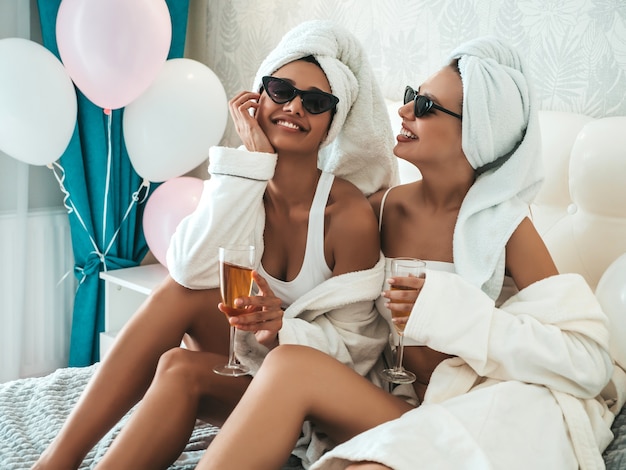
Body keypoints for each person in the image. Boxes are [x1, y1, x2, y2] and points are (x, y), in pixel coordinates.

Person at [195, 36, 622, 470]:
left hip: (461, 408)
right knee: (269, 361)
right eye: (410, 97)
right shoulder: (379, 210)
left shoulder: (506, 227)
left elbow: (588, 362)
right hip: (384, 400)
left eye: (426, 106)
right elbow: (338, 318)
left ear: (477, 132)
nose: (403, 110)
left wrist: (450, 310)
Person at [32, 20, 398, 470]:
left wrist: (280, 328)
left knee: (179, 362)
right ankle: (56, 462)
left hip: (312, 397)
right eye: (281, 90)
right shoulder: (242, 187)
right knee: (178, 334)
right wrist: (251, 165)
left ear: (330, 124)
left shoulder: (346, 215)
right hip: (256, 371)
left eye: (316, 102)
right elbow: (188, 269)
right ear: (256, 100)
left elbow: (359, 354)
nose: (295, 107)